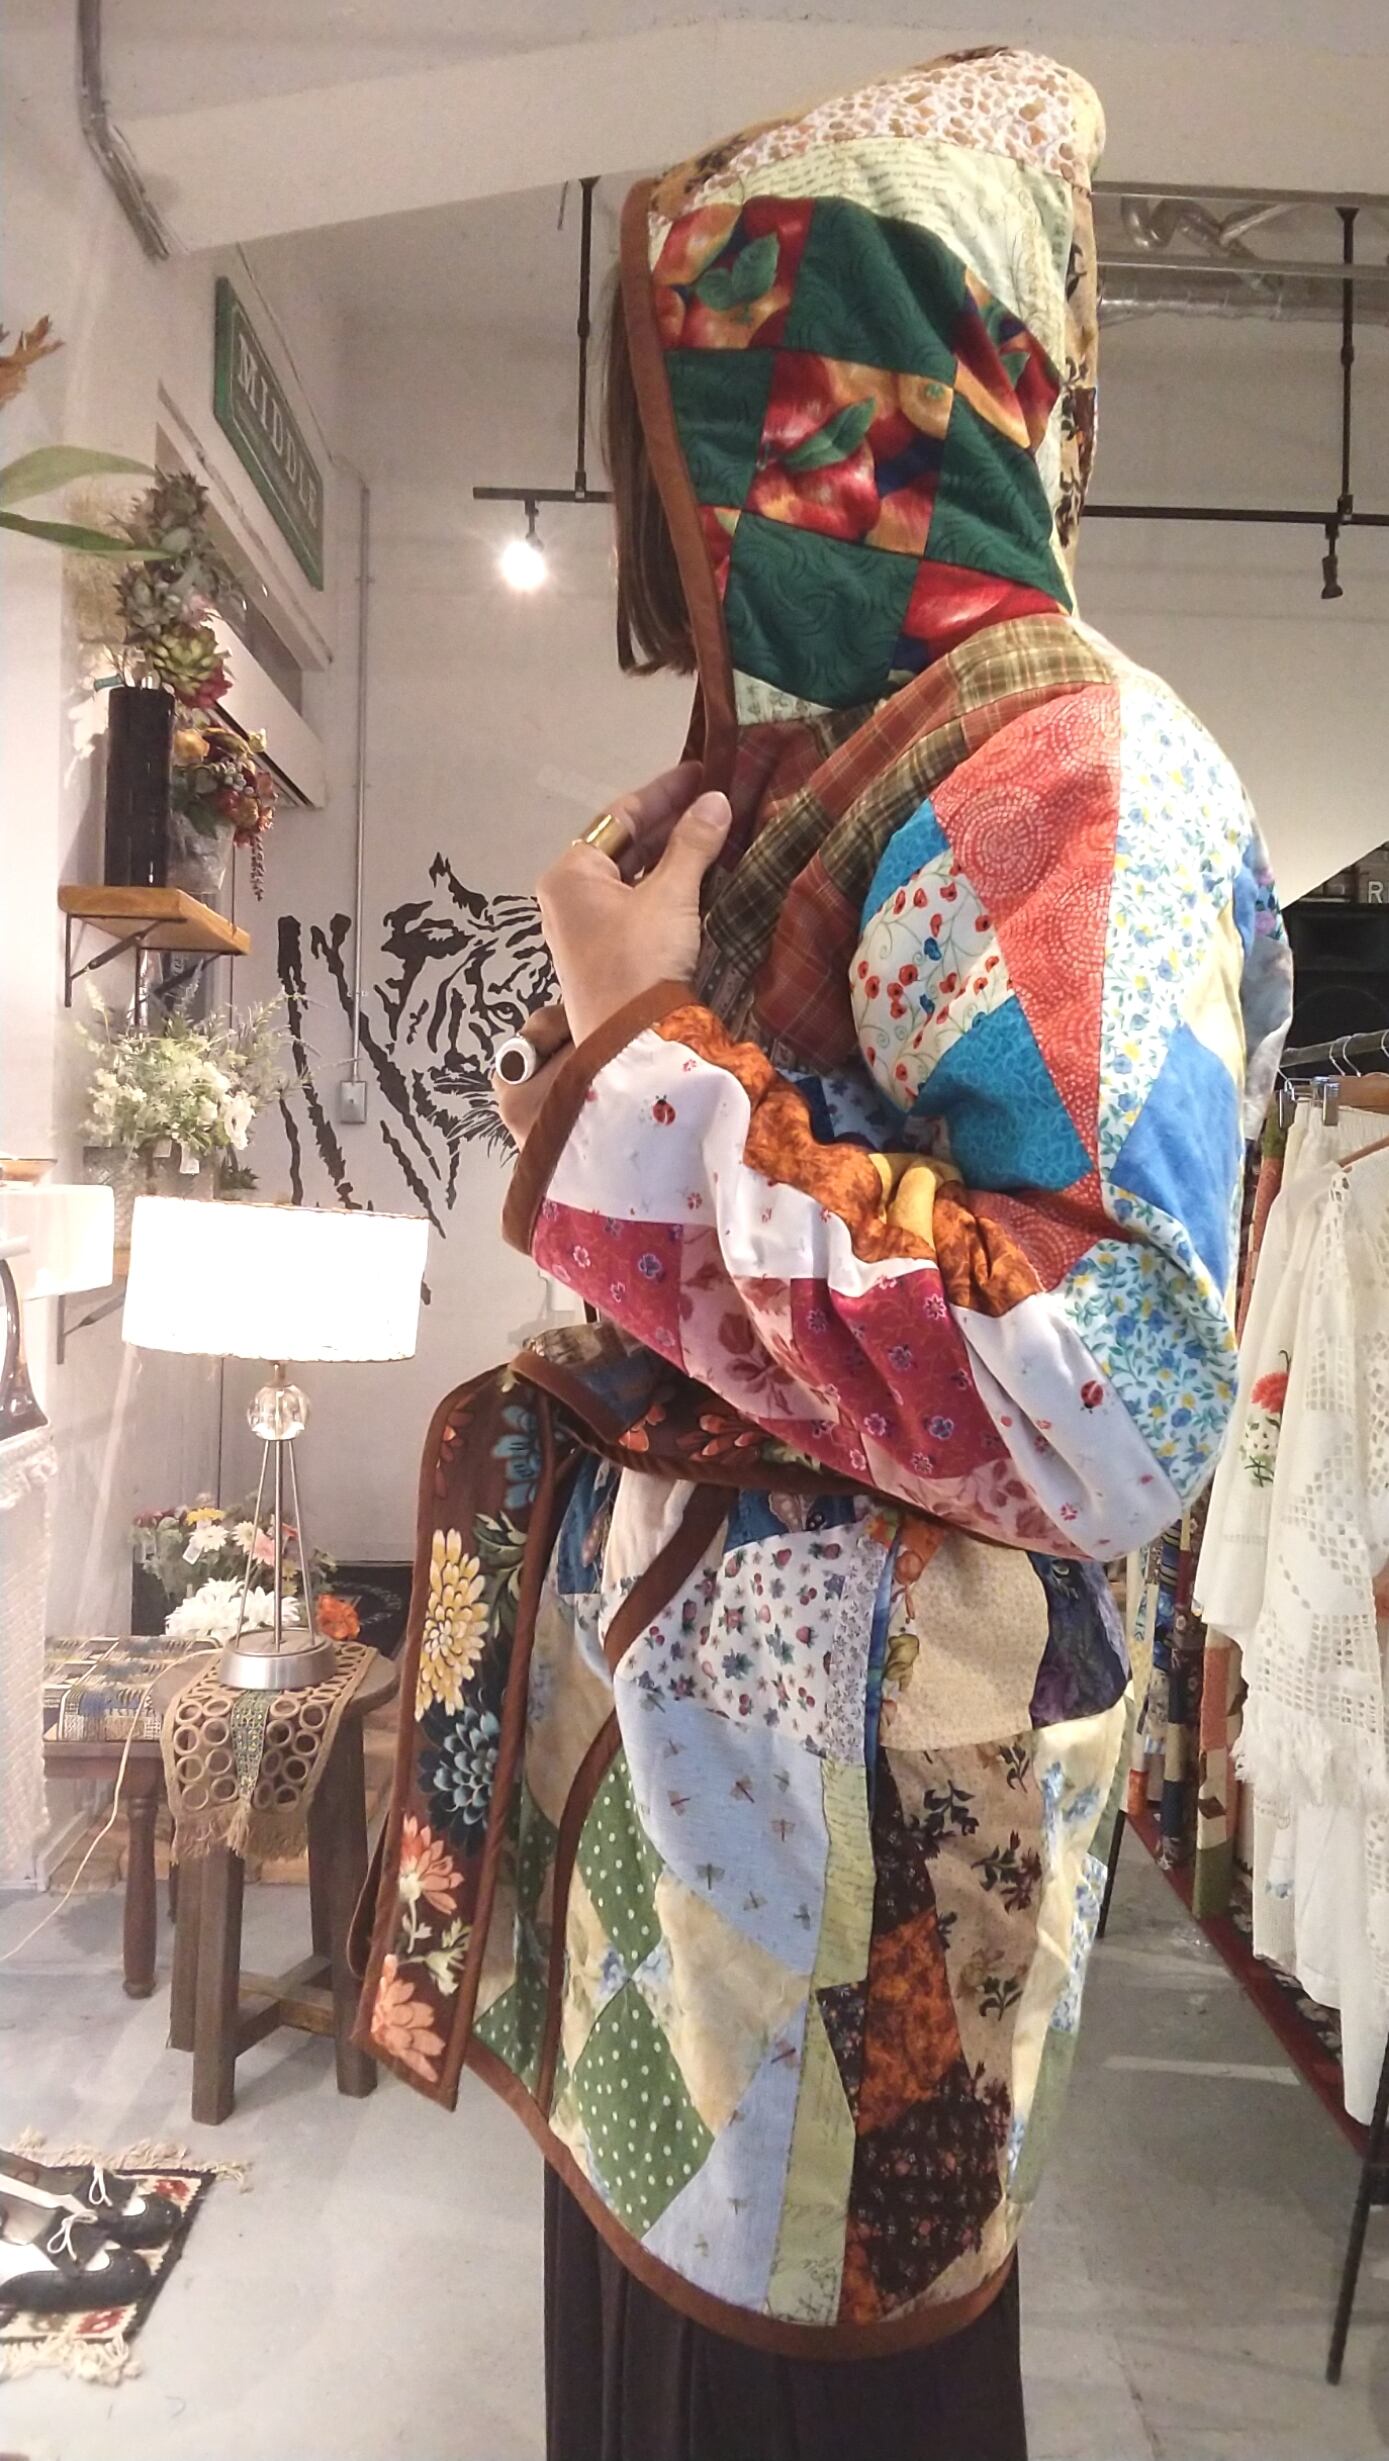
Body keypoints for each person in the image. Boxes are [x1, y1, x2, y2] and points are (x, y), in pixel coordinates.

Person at [358, 45, 1293, 2460]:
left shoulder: (1069, 774)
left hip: (837, 1897)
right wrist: (626, 1046)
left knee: (789, 2400)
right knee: (670, 2368)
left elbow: (1110, 1389)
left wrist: (636, 1062)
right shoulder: (864, 754)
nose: (693, 508)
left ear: (853, 396)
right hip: (723, 1854)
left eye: (717, 414)